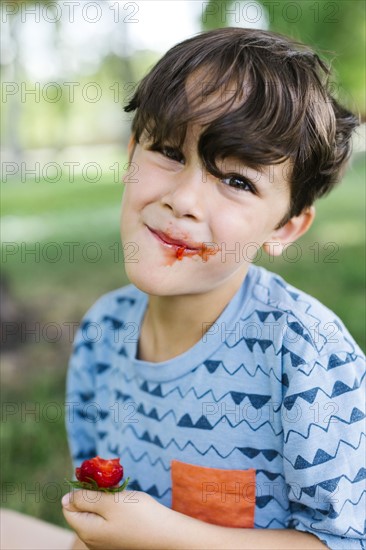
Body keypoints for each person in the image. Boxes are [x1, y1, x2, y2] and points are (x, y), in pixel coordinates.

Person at [3, 26, 363, 550]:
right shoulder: (104, 332)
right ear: (131, 156)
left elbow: (345, 542)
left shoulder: (306, 354)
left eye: (237, 181)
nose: (185, 200)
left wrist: (165, 536)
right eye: (169, 151)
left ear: (284, 227)